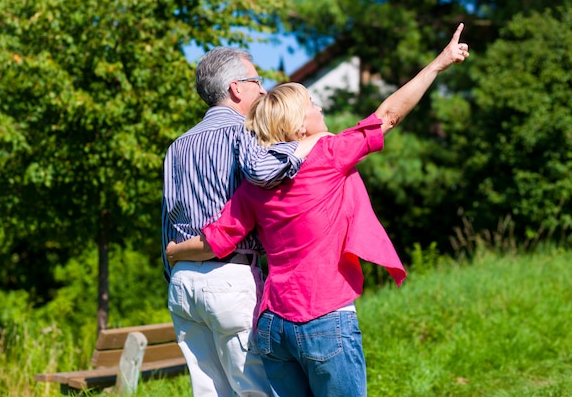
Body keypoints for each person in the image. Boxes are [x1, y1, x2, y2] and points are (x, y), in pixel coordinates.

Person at [166, 24, 470, 397]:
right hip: (324, 314)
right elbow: (388, 115)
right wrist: (437, 65)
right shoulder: (329, 155)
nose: (320, 106)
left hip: (274, 324)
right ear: (297, 124)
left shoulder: (252, 187)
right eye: (311, 104)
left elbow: (218, 236)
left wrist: (176, 251)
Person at [161, 46, 325, 397]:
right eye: (257, 82)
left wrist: (173, 272)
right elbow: (264, 173)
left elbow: (167, 220)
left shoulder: (177, 145)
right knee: (256, 389)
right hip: (230, 276)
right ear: (236, 88)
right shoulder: (243, 132)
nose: (264, 90)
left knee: (208, 392)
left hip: (182, 281)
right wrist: (308, 144)